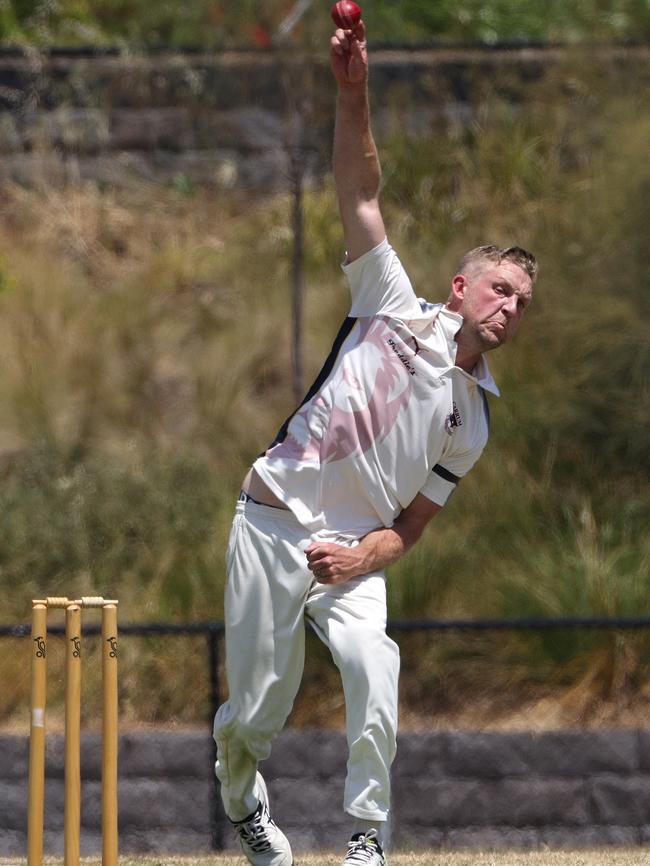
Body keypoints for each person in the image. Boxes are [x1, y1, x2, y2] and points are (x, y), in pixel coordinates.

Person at [212, 16, 537, 866]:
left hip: (354, 549)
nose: (509, 308)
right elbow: (360, 191)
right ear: (460, 287)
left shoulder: (476, 419)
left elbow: (413, 529)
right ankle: (244, 801)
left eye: (522, 304)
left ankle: (365, 838)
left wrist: (362, 560)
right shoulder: (389, 300)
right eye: (500, 290)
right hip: (274, 513)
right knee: (258, 709)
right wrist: (351, 91)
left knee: (372, 665)